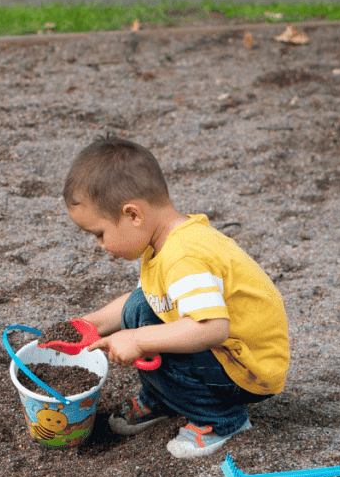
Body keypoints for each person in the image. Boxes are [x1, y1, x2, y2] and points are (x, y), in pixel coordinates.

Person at [63, 134, 289, 458]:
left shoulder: (184, 256)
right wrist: (88, 324)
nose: (100, 245)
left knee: (151, 333)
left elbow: (211, 328)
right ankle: (164, 398)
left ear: (133, 215)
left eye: (100, 234)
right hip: (228, 352)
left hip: (247, 367)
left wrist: (139, 340)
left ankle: (222, 420)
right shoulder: (165, 241)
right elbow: (142, 301)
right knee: (142, 309)